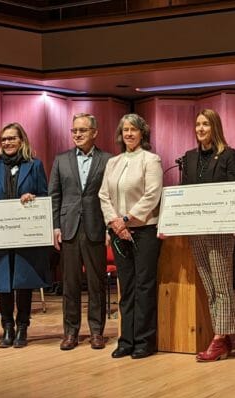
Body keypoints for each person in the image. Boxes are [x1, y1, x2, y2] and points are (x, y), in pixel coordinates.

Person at [0, 122, 51, 348]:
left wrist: (33, 198)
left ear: (22, 141)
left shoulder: (35, 165)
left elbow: (44, 195)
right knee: (3, 282)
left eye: (12, 138)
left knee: (23, 281)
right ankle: (7, 328)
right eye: (4, 139)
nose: (7, 142)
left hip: (26, 233)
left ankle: (22, 327)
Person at [98, 114, 163, 359]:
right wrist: (115, 222)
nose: (129, 134)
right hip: (117, 231)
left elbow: (152, 195)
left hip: (144, 230)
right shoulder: (113, 162)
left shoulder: (151, 160)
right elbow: (103, 195)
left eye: (134, 130)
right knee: (126, 288)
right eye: (125, 129)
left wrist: (127, 219)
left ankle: (144, 341)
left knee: (144, 286)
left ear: (142, 134)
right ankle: (126, 340)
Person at [180, 109, 235, 362]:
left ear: (215, 127)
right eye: (197, 125)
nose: (200, 129)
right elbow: (184, 192)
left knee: (222, 284)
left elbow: (233, 191)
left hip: (219, 229)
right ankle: (223, 334)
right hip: (196, 229)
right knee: (209, 285)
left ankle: (218, 339)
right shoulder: (189, 157)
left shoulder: (228, 155)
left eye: (205, 124)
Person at [49, 113, 112, 351]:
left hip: (96, 227)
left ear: (94, 132)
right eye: (74, 130)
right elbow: (54, 196)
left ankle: (97, 332)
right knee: (70, 284)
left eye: (83, 130)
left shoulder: (107, 159)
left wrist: (109, 226)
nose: (77, 134)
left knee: (96, 284)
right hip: (69, 228)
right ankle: (71, 332)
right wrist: (55, 225)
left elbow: (111, 196)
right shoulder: (61, 159)